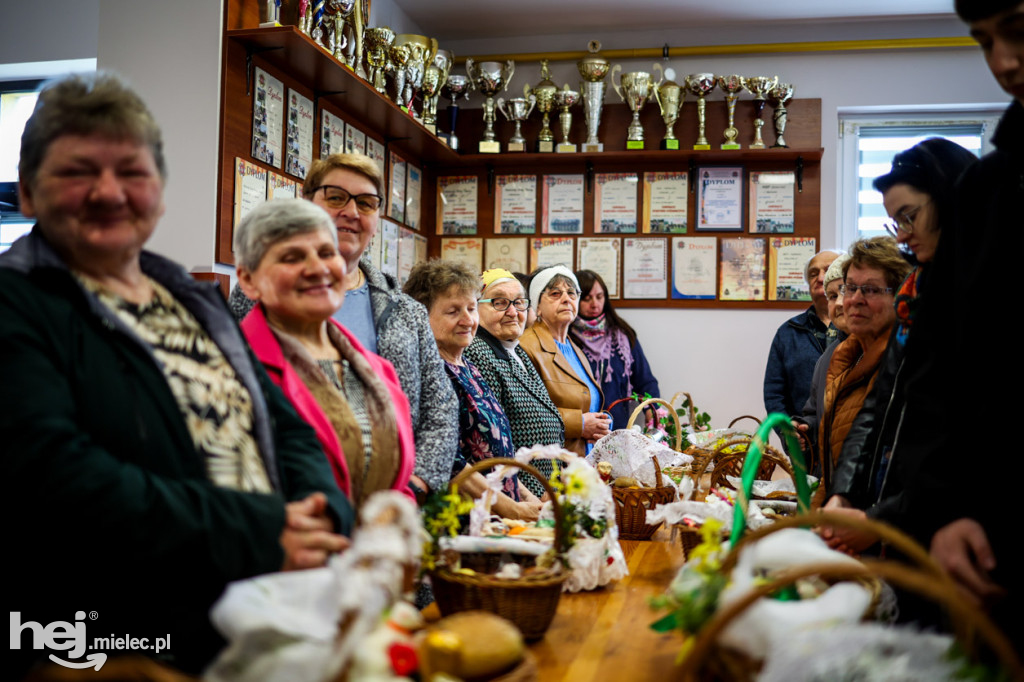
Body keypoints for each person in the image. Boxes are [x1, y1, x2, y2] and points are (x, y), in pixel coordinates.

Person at [3, 73, 351, 676]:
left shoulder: (188, 298)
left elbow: (283, 423)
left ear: (159, 194)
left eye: (132, 172)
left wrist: (321, 514)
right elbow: (53, 477)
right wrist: (262, 529)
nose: (108, 192)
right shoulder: (16, 302)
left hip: (256, 619)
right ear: (29, 193)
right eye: (77, 171)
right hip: (116, 646)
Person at [876, 0, 1023, 648]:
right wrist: (948, 505)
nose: (1003, 63)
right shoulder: (993, 189)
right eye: (984, 41)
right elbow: (936, 388)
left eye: (1018, 32)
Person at [229, 153, 457, 499]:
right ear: (308, 202)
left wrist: (414, 488)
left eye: (366, 203)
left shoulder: (404, 316)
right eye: (336, 197)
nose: (351, 212)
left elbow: (440, 407)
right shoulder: (255, 300)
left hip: (391, 503)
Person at [822, 139, 977, 553]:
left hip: (945, 528)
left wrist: (881, 520)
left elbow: (965, 443)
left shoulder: (977, 290)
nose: (904, 235)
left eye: (910, 216)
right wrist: (844, 493)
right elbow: (879, 406)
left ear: (951, 201)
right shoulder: (921, 292)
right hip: (895, 515)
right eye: (896, 223)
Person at [235, 198, 415, 507]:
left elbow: (394, 481)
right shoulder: (231, 370)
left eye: (326, 253)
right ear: (249, 280)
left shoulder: (378, 370)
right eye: (292, 257)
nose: (317, 269)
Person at [404, 260, 543, 519]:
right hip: (461, 520)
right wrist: (510, 508)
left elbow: (497, 453)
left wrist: (527, 499)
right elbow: (451, 463)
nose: (468, 320)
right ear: (421, 315)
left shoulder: (467, 366)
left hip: (498, 516)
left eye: (471, 308)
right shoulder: (428, 372)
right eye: (453, 311)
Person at [815, 237, 911, 494]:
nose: (855, 299)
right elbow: (832, 469)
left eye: (870, 289)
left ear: (899, 297)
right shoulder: (843, 357)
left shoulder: (907, 366)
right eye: (850, 288)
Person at [463, 268, 565, 498]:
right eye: (499, 303)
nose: (512, 311)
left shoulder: (516, 349)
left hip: (542, 491)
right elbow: (491, 442)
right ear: (475, 308)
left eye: (519, 303)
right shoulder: (478, 353)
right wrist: (530, 498)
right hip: (515, 497)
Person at [519, 265, 610, 458]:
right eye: (555, 293)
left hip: (583, 462)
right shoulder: (526, 347)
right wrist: (581, 424)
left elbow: (587, 404)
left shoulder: (575, 349)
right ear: (537, 306)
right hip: (550, 465)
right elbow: (524, 414)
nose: (566, 299)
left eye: (571, 293)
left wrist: (601, 423)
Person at [570, 269, 660, 429]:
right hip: (580, 430)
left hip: (618, 428)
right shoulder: (565, 337)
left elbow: (645, 380)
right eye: (587, 299)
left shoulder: (622, 336)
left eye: (599, 297)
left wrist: (652, 409)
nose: (594, 304)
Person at [763, 249, 840, 421]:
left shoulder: (856, 328)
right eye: (813, 274)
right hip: (803, 434)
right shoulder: (788, 333)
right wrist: (788, 431)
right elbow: (774, 394)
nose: (820, 278)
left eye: (829, 271)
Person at [792, 252, 850, 466]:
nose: (840, 302)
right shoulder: (827, 357)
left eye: (845, 290)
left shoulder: (881, 350)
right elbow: (814, 412)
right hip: (827, 471)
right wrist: (803, 427)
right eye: (832, 296)